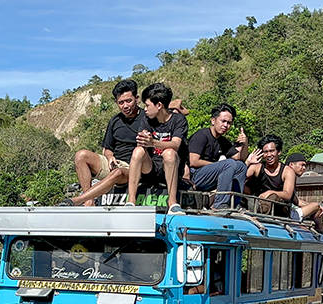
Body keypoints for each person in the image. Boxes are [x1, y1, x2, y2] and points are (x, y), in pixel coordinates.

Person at [63, 79, 145, 206]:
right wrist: (110, 157)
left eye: (129, 101)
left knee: (117, 172)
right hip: (115, 163)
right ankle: (89, 201)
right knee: (81, 155)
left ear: (137, 98)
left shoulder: (147, 118)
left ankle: (76, 201)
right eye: (121, 102)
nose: (125, 106)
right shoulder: (115, 121)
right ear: (116, 103)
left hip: (134, 168)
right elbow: (107, 148)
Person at [126, 83, 189, 214]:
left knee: (169, 153)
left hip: (171, 168)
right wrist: (144, 139)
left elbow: (176, 144)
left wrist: (153, 142)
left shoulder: (178, 120)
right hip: (151, 168)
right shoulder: (147, 120)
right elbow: (142, 143)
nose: (145, 109)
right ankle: (131, 201)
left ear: (159, 105)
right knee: (138, 151)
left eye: (148, 105)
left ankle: (172, 203)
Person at [188, 103, 249, 209]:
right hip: (195, 177)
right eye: (223, 121)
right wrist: (219, 166)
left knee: (240, 166)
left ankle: (234, 204)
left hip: (211, 177)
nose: (226, 125)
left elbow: (241, 158)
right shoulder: (201, 136)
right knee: (229, 164)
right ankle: (220, 204)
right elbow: (193, 161)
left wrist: (245, 143)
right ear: (213, 120)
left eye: (229, 123)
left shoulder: (223, 142)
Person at [244, 134, 294, 216]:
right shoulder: (257, 167)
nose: (269, 155)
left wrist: (269, 193)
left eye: (272, 151)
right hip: (257, 204)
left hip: (279, 208)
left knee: (272, 197)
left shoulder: (287, 171)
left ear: (279, 152)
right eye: (265, 152)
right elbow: (238, 177)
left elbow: (288, 194)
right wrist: (248, 162)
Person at [286, 154, 323, 231]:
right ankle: (321, 228)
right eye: (302, 165)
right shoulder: (288, 178)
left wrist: (309, 205)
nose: (304, 168)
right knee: (316, 205)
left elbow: (296, 200)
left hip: (289, 212)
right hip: (290, 214)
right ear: (291, 164)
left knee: (316, 207)